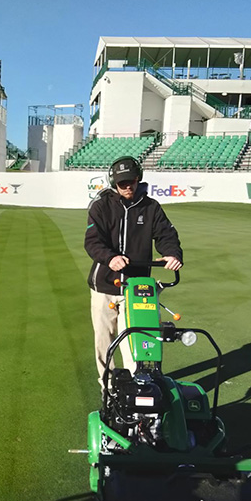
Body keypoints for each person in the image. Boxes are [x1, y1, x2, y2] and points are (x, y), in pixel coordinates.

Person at [85, 156, 183, 383]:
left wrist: (172, 254)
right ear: (114, 183)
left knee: (136, 340)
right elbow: (92, 241)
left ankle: (137, 386)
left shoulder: (151, 208)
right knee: (104, 341)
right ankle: (108, 388)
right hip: (105, 285)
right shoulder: (101, 207)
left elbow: (167, 235)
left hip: (137, 287)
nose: (127, 187)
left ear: (139, 179)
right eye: (122, 183)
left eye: (131, 181)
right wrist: (110, 258)